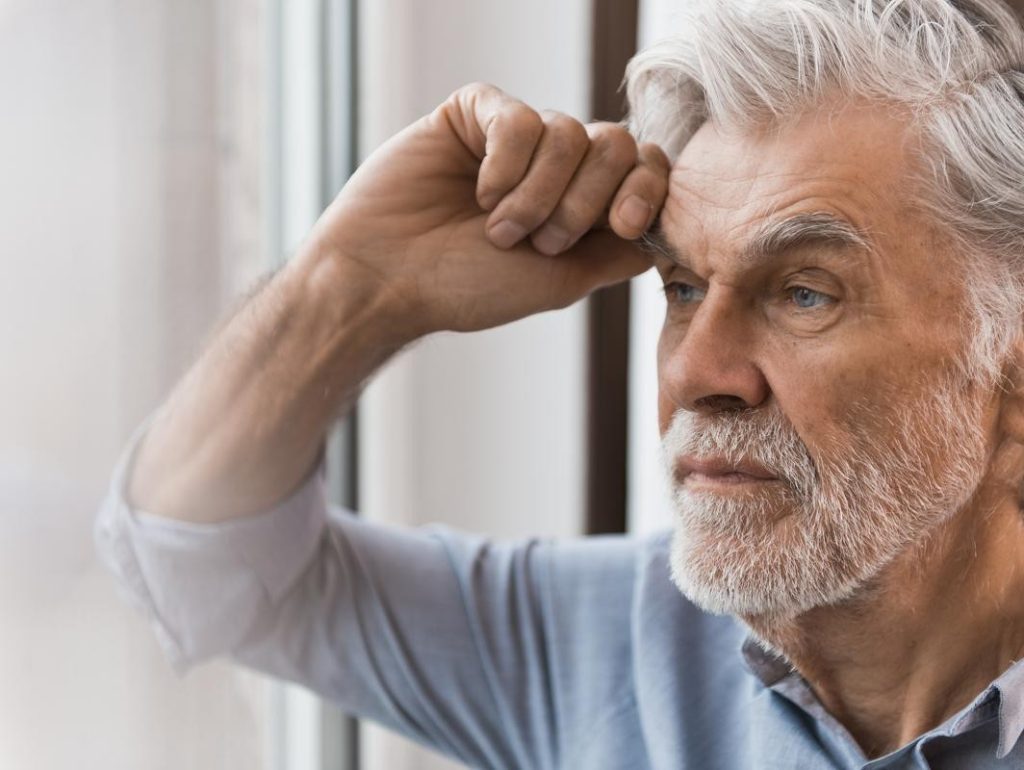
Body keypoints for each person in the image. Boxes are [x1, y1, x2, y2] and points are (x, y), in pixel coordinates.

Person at [95, 0, 1024, 766]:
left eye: (806, 292)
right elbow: (196, 566)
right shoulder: (608, 645)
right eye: (683, 286)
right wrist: (351, 288)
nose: (697, 372)